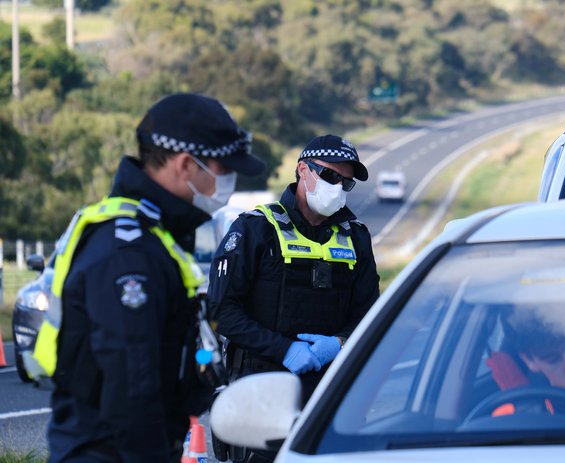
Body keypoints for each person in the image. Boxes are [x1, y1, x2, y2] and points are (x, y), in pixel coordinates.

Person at [34, 93, 265, 462]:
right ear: (186, 165)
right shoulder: (130, 254)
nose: (229, 183)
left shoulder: (153, 235)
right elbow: (132, 393)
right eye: (224, 169)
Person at [207, 134, 380, 460]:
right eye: (330, 176)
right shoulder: (255, 230)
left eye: (346, 183)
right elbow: (221, 310)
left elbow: (371, 314)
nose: (338, 188)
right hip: (262, 389)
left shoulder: (355, 237)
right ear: (303, 169)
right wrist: (284, 349)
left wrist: (340, 344)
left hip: (330, 392)